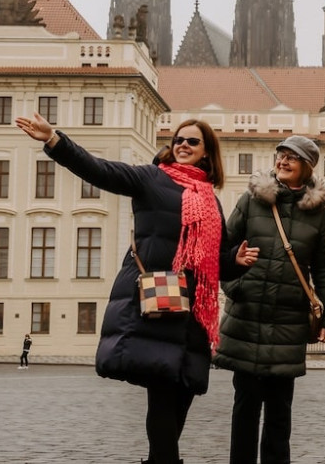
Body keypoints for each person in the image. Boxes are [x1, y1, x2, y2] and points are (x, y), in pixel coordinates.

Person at [16, 113, 256, 464]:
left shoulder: (210, 200)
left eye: (192, 141)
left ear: (206, 152)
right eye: (178, 140)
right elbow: (100, 170)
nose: (183, 145)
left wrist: (237, 258)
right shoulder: (151, 178)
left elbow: (214, 264)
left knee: (183, 393)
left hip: (192, 312)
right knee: (161, 394)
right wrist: (55, 140)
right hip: (158, 302)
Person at [214, 135, 325, 463]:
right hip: (248, 316)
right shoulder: (251, 200)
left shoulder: (317, 213)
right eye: (280, 155)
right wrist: (235, 284)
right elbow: (223, 250)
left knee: (279, 413)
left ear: (306, 167)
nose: (283, 162)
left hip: (287, 320)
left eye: (291, 158)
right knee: (244, 409)